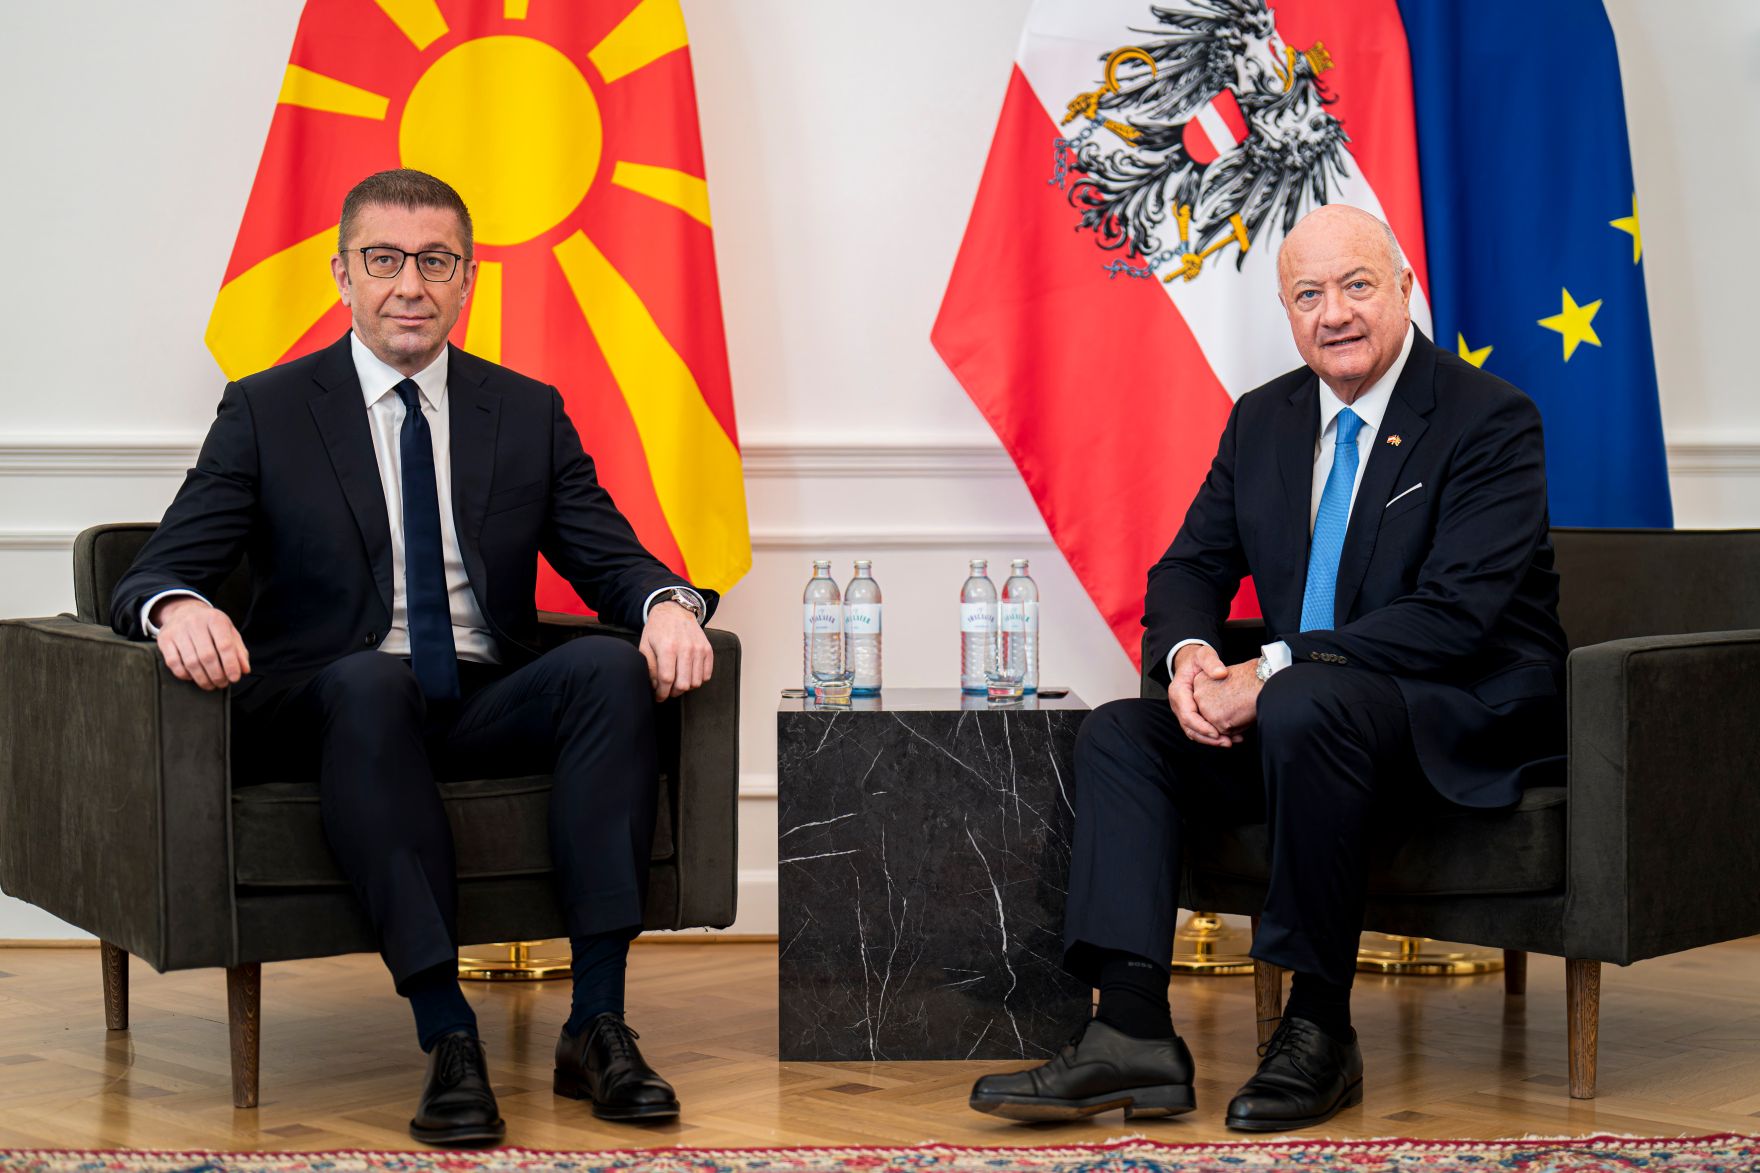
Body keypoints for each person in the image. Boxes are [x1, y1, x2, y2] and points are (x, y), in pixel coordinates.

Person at [110, 169, 716, 1147]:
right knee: (368, 681)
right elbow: (157, 568)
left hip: (478, 694)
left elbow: (609, 554)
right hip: (332, 701)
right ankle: (448, 1038)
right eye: (383, 260)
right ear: (342, 275)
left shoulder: (522, 411)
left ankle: (596, 1023)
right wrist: (175, 604)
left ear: (468, 280)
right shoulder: (268, 409)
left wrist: (666, 605)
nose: (409, 284)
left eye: (435, 262)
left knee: (608, 668)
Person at [969, 204, 1567, 1131]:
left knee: (1304, 699)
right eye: (1308, 294)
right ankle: (1128, 1029)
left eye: (1358, 285)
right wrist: (1195, 656)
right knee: (1124, 731)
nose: (1335, 313)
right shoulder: (1264, 420)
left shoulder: (1489, 420)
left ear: (1406, 288)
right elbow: (1188, 569)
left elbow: (1454, 618)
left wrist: (1275, 667)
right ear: (1288, 314)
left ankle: (1318, 1029)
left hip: (1447, 716)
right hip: (1311, 716)